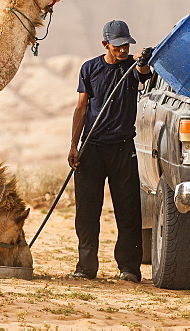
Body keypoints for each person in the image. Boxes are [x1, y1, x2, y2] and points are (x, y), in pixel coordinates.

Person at [68, 19, 153, 283]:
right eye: (117, 45)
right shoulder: (89, 69)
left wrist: (143, 61)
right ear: (105, 44)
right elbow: (81, 107)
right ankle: (85, 267)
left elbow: (144, 72)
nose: (123, 49)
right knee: (87, 212)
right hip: (92, 148)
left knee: (128, 211)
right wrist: (73, 145)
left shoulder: (132, 68)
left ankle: (129, 269)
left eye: (126, 44)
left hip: (122, 149)